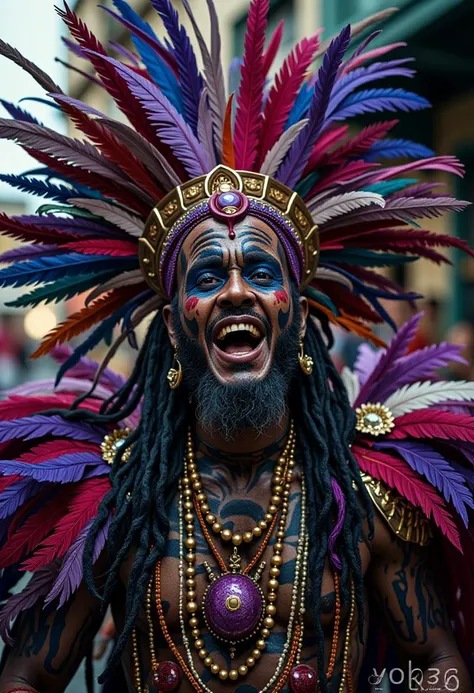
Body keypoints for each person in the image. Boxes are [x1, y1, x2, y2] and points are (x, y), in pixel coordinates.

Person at [0, 1, 472, 692]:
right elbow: (27, 677)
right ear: (171, 327)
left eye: (258, 270)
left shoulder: (361, 497)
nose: (235, 291)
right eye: (207, 275)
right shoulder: (119, 502)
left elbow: (437, 661)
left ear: (299, 314)